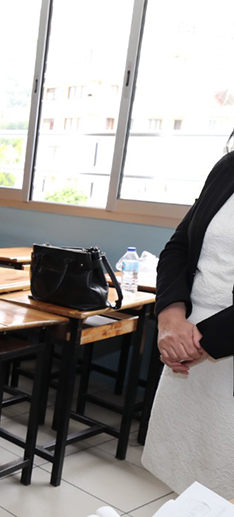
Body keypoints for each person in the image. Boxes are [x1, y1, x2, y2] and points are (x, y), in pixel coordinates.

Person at [142, 149, 234, 497]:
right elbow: (179, 246)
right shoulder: (228, 167)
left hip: (213, 347)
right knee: (184, 480)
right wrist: (170, 318)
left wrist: (204, 342)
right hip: (186, 344)